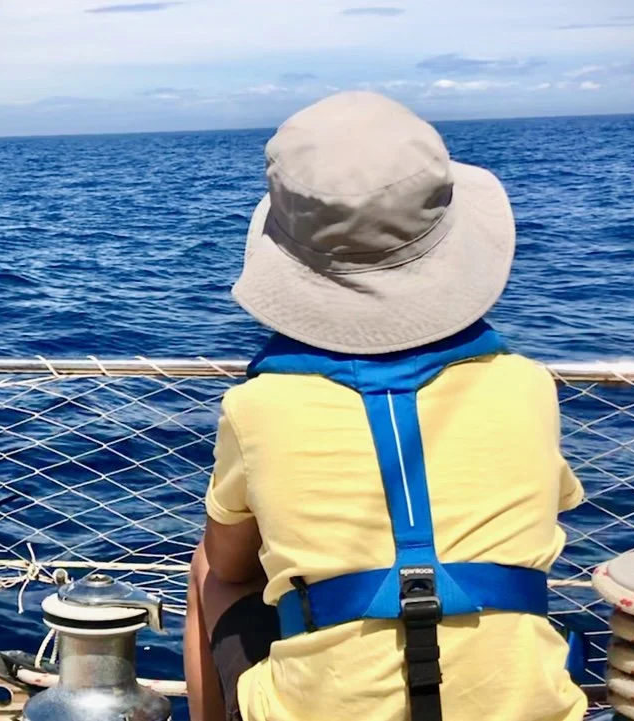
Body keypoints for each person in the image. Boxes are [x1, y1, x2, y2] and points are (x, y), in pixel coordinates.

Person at [183, 90, 587, 721]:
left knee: (210, 565)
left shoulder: (260, 404)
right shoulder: (526, 384)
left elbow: (231, 564)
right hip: (524, 710)